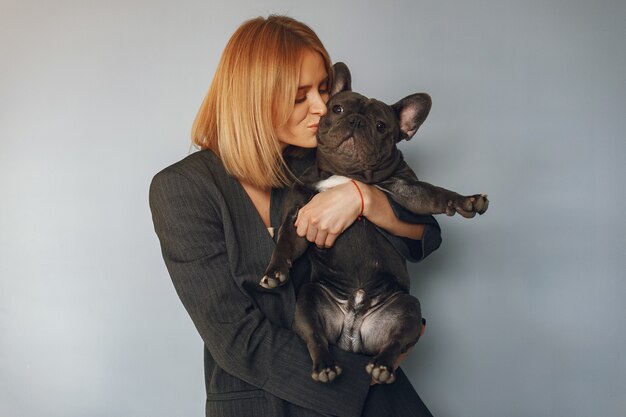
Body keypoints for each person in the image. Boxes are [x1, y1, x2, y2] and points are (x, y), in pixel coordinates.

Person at [149, 15, 442, 417]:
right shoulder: (183, 189)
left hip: (381, 405)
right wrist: (363, 378)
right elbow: (236, 339)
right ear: (252, 98)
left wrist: (364, 198)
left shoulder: (325, 162)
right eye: (299, 95)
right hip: (277, 402)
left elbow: (425, 236)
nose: (322, 108)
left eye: (323, 89)